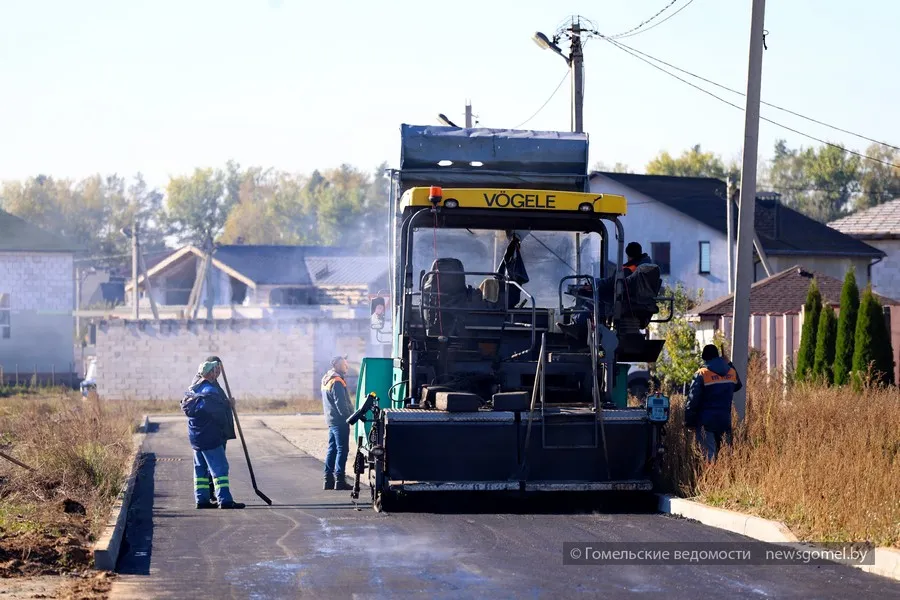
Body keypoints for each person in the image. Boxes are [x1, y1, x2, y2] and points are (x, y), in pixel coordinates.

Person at [181, 359, 245, 509]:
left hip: (196, 438)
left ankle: (201, 500)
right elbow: (217, 413)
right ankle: (225, 500)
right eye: (215, 371)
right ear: (210, 373)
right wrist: (228, 404)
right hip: (211, 437)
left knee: (201, 469)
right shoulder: (210, 391)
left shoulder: (193, 389)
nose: (217, 373)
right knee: (219, 469)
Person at [558, 242, 653, 340]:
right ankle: (591, 331)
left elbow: (612, 283)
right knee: (597, 296)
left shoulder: (629, 269)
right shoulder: (647, 267)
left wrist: (593, 285)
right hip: (638, 303)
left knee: (589, 299)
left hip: (622, 302)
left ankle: (577, 326)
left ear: (628, 255)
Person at [684, 345, 743, 461]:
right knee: (725, 456)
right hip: (724, 421)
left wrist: (689, 422)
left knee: (708, 457)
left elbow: (692, 401)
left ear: (704, 358)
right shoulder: (731, 372)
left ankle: (711, 478)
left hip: (706, 422)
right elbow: (738, 386)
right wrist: (729, 363)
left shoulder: (702, 373)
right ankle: (725, 478)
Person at [322, 355, 353, 491]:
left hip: (331, 419)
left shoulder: (326, 379)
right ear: (338, 366)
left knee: (332, 449)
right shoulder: (337, 381)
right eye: (345, 364)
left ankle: (328, 480)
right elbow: (340, 403)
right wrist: (349, 417)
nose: (347, 366)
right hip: (340, 421)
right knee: (342, 449)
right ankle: (340, 480)